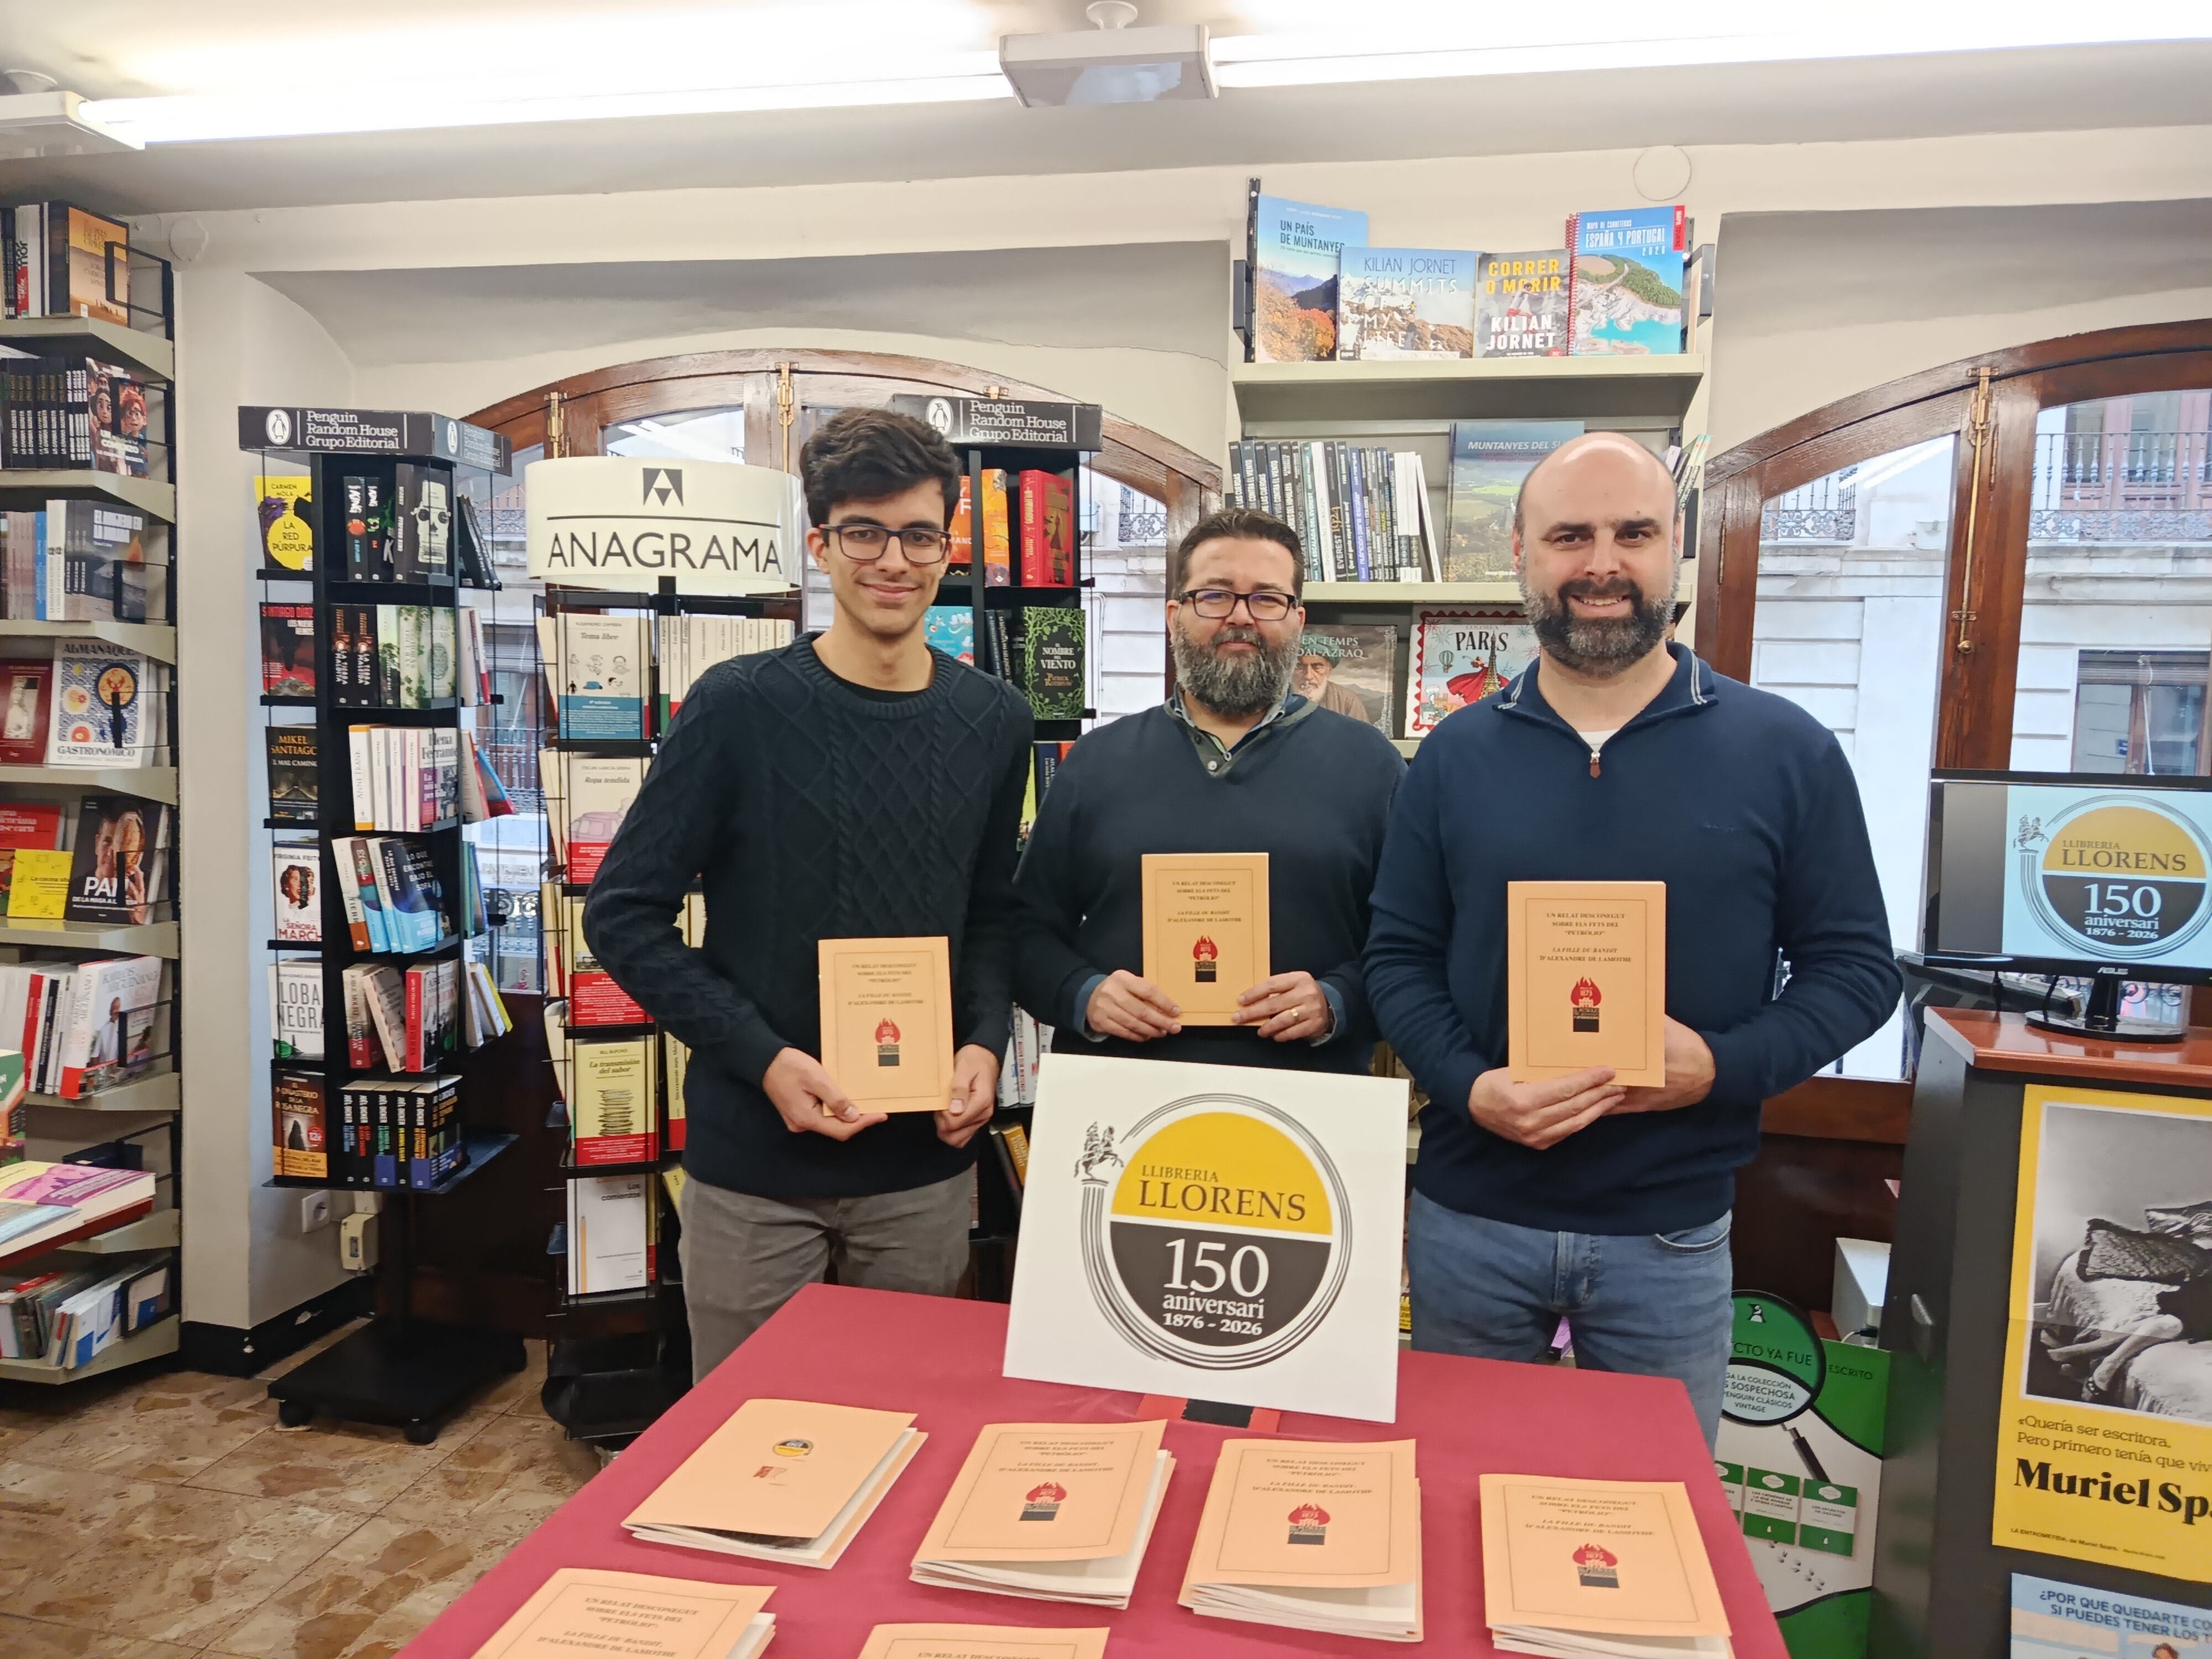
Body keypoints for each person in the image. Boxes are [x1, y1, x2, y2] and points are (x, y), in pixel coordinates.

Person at [1364, 431, 1900, 1442]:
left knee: (1652, 1527)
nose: (1601, 564)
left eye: (1633, 533)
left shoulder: (1785, 751)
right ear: (1521, 551)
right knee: (1453, 1501)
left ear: (1675, 549)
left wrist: (1722, 1065)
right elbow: (1397, 958)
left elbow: (1857, 972)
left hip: (1672, 1233)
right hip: (1469, 1221)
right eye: (1570, 535)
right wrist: (1471, 1086)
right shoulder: (1453, 756)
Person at [583, 408, 1032, 1379]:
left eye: (917, 534)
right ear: (820, 545)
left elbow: (992, 913)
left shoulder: (995, 719)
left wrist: (982, 1043)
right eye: (863, 533)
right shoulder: (739, 706)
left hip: (920, 1169)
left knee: (904, 1430)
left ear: (948, 549)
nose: (892, 561)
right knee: (742, 1456)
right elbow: (621, 914)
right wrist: (766, 1059)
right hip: (756, 1173)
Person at [1014, 507, 1404, 1071]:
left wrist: (1337, 1000)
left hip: (1308, 1107)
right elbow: (1026, 933)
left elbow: (1414, 947)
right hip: (1125, 1102)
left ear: (1297, 620)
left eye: (1266, 599)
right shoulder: (1095, 764)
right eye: (1214, 596)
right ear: (1175, 615)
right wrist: (1084, 993)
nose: (1239, 618)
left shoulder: (1372, 766)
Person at [1292, 633, 1374, 724]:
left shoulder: (1348, 700)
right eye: (1300, 667)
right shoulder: (1279, 697)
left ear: (1329, 670)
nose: (1308, 676)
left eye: (1317, 667)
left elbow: (1360, 736)